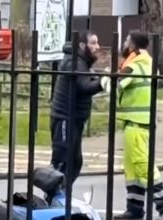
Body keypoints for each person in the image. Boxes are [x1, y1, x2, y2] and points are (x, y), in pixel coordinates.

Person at [102, 30, 163, 220]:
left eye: (127, 41)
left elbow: (113, 87)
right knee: (133, 168)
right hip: (142, 122)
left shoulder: (134, 67)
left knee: (143, 166)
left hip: (137, 123)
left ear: (132, 46)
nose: (124, 44)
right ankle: (134, 208)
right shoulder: (149, 63)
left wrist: (104, 77)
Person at [49, 30, 105, 186]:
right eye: (93, 43)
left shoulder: (81, 62)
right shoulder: (74, 62)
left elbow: (87, 80)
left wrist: (102, 78)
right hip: (65, 118)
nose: (97, 47)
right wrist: (104, 82)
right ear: (82, 45)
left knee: (75, 161)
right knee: (62, 161)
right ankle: (55, 197)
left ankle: (62, 195)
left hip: (75, 119)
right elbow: (85, 86)